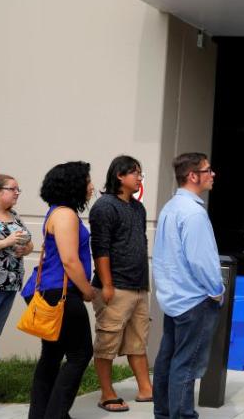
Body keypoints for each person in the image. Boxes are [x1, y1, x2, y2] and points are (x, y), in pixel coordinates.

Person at [152, 153, 225, 419]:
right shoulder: (194, 213)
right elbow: (202, 261)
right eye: (208, 170)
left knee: (168, 361)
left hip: (173, 300)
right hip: (195, 301)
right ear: (193, 176)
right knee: (186, 365)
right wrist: (217, 291)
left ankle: (163, 414)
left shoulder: (171, 207)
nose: (213, 174)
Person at [28, 162, 97, 419]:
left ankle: (41, 414)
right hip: (62, 292)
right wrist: (88, 290)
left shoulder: (57, 212)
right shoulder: (66, 214)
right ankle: (55, 414)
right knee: (81, 354)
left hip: (51, 290)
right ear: (74, 184)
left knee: (52, 355)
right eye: (87, 181)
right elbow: (70, 260)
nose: (91, 186)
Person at [90, 156, 153, 412]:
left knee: (138, 341)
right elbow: (100, 248)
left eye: (140, 174)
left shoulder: (138, 208)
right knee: (107, 342)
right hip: (115, 287)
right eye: (135, 173)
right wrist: (106, 284)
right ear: (120, 176)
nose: (139, 178)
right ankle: (106, 393)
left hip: (139, 287)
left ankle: (146, 389)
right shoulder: (105, 206)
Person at [0, 173, 34, 399]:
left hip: (9, 285)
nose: (17, 193)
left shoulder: (13, 215)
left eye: (18, 189)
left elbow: (28, 241)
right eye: (12, 189)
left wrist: (25, 249)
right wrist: (6, 242)